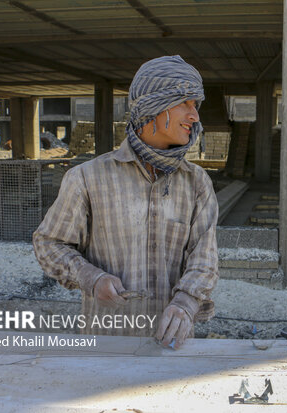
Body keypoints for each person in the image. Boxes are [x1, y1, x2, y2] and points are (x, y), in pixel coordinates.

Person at [33, 56, 219, 349]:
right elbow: (49, 243)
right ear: (154, 108)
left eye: (196, 105)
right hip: (107, 343)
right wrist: (91, 278)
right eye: (186, 103)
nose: (194, 116)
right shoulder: (86, 178)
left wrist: (185, 303)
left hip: (172, 346)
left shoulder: (196, 183)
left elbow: (204, 258)